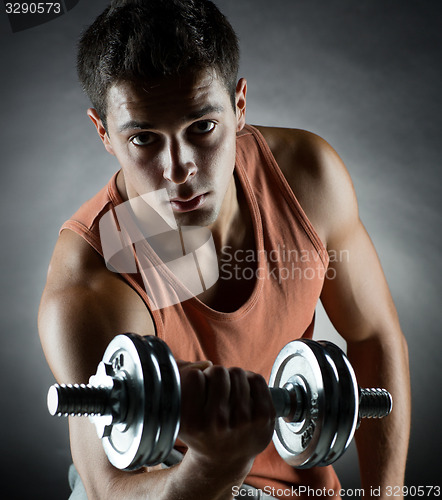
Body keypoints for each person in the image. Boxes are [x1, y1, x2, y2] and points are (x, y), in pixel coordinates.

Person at [38, 0, 410, 499]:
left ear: (238, 105)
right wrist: (215, 465)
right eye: (145, 138)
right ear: (104, 132)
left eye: (202, 127)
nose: (178, 169)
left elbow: (373, 338)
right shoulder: (96, 273)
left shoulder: (306, 179)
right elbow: (111, 489)